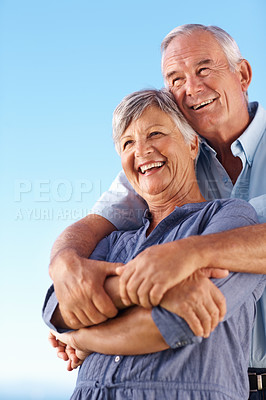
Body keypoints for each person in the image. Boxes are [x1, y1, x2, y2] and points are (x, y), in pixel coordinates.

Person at [48, 25, 266, 398]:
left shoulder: (218, 203)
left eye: (204, 69)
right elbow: (93, 228)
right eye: (175, 78)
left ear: (242, 74)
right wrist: (65, 264)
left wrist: (186, 253)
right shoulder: (158, 164)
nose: (191, 88)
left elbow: (179, 319)